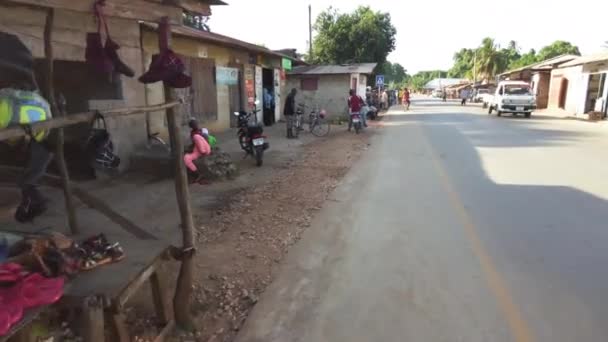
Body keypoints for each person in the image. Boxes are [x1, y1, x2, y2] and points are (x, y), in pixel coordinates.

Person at [0, 32, 55, 223]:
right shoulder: (15, 44)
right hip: (35, 106)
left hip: (7, 106)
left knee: (39, 145)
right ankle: (30, 188)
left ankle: (29, 190)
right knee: (44, 143)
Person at [184, 118, 211, 184]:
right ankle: (197, 174)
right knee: (186, 158)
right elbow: (194, 143)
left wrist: (203, 151)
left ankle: (198, 176)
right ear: (191, 126)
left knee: (196, 137)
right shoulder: (192, 133)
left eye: (195, 123)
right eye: (192, 124)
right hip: (197, 149)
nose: (194, 125)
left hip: (204, 148)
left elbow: (206, 141)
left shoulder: (203, 131)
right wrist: (189, 148)